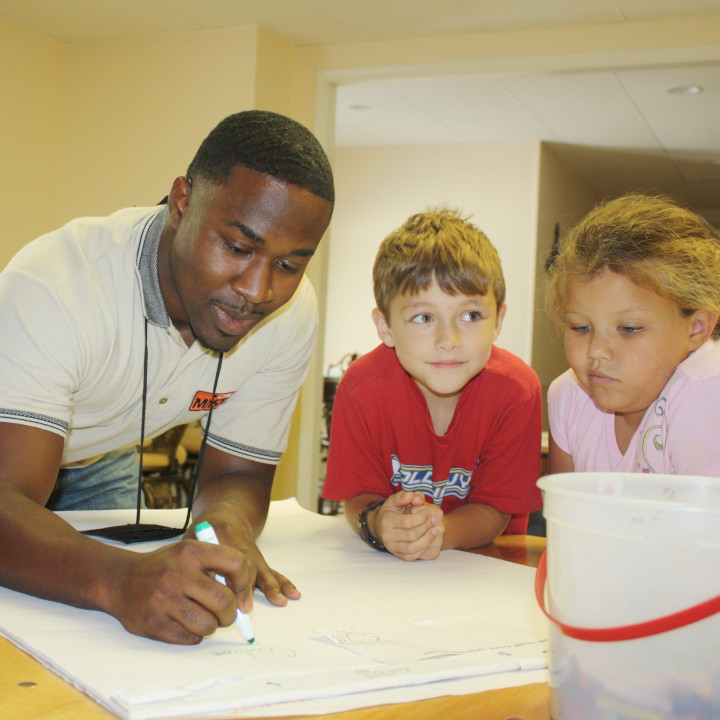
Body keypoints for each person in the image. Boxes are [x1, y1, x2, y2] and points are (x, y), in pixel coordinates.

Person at [0, 110, 334, 644]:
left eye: (290, 265)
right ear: (182, 203)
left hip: (96, 455)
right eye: (239, 247)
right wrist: (119, 580)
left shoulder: (290, 315)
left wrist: (226, 530)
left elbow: (239, 478)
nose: (258, 289)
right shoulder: (56, 283)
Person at [322, 209, 542, 561]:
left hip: (486, 569)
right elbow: (358, 499)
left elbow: (497, 510)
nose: (449, 339)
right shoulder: (361, 389)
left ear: (498, 320)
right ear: (385, 327)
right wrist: (379, 522)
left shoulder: (517, 391)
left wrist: (438, 532)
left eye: (471, 316)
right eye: (424, 317)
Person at [546, 193, 720, 475]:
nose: (596, 351)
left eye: (629, 329)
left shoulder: (708, 394)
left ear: (697, 327)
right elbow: (566, 511)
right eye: (581, 327)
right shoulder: (569, 395)